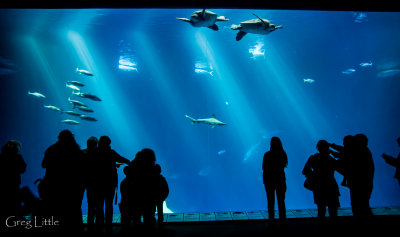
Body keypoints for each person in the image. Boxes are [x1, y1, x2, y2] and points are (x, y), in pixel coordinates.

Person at [41, 130, 85, 231]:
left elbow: (43, 165)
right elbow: (81, 168)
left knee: (55, 211)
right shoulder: (76, 151)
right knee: (74, 211)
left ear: (59, 137)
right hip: (73, 187)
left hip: (53, 185)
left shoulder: (51, 149)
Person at [89, 136, 130, 230]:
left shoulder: (93, 153)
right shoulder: (111, 152)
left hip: (97, 184)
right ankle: (108, 225)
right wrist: (129, 162)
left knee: (99, 205)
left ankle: (99, 225)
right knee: (109, 204)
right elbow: (121, 159)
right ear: (107, 143)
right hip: (109, 183)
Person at [302, 140, 340, 218]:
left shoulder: (313, 158)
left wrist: (313, 175)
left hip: (319, 187)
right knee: (333, 212)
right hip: (331, 186)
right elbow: (340, 167)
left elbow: (304, 171)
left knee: (321, 211)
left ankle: (321, 229)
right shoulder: (330, 159)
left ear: (318, 148)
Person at [0, 140, 27, 222]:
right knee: (14, 202)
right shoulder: (18, 157)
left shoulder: (1, 156)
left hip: (3, 183)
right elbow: (23, 169)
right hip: (14, 182)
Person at [262, 137, 288, 222]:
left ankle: (271, 222)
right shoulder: (283, 154)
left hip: (269, 181)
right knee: (281, 202)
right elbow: (284, 165)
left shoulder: (267, 154)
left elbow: (264, 167)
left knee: (270, 202)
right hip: (280, 180)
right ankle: (283, 222)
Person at [82, 136, 98, 227]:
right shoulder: (99, 154)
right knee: (93, 203)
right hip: (93, 182)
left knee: (78, 202)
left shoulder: (81, 153)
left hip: (81, 181)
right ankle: (91, 223)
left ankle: (88, 223)